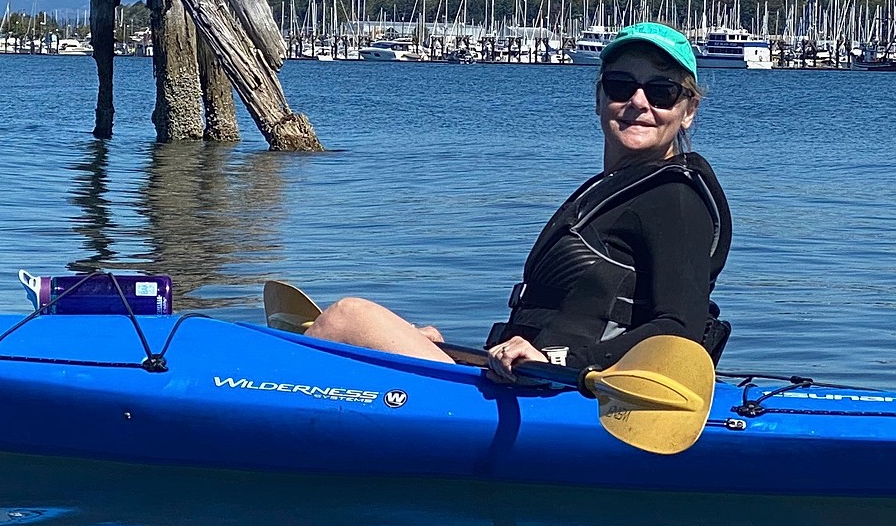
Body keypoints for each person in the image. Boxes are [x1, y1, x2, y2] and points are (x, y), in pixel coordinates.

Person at [306, 21, 731, 379]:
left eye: (661, 93)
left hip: (564, 391)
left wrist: (558, 362)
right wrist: (462, 352)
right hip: (525, 377)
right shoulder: (616, 188)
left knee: (349, 317)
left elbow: (679, 331)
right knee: (400, 334)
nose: (638, 103)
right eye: (622, 86)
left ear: (688, 109)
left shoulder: (676, 199)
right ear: (599, 97)